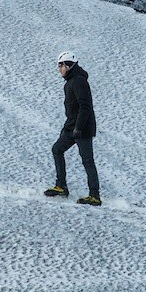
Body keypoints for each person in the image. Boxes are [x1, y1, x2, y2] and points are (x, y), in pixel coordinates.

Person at [42, 53, 100, 205]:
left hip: (82, 128)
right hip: (72, 127)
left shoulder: (79, 81)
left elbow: (85, 107)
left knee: (87, 160)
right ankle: (61, 186)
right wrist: (67, 127)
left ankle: (95, 196)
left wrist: (79, 128)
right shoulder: (70, 82)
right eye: (59, 65)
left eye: (61, 65)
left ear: (68, 65)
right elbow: (73, 110)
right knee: (57, 149)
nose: (59, 69)